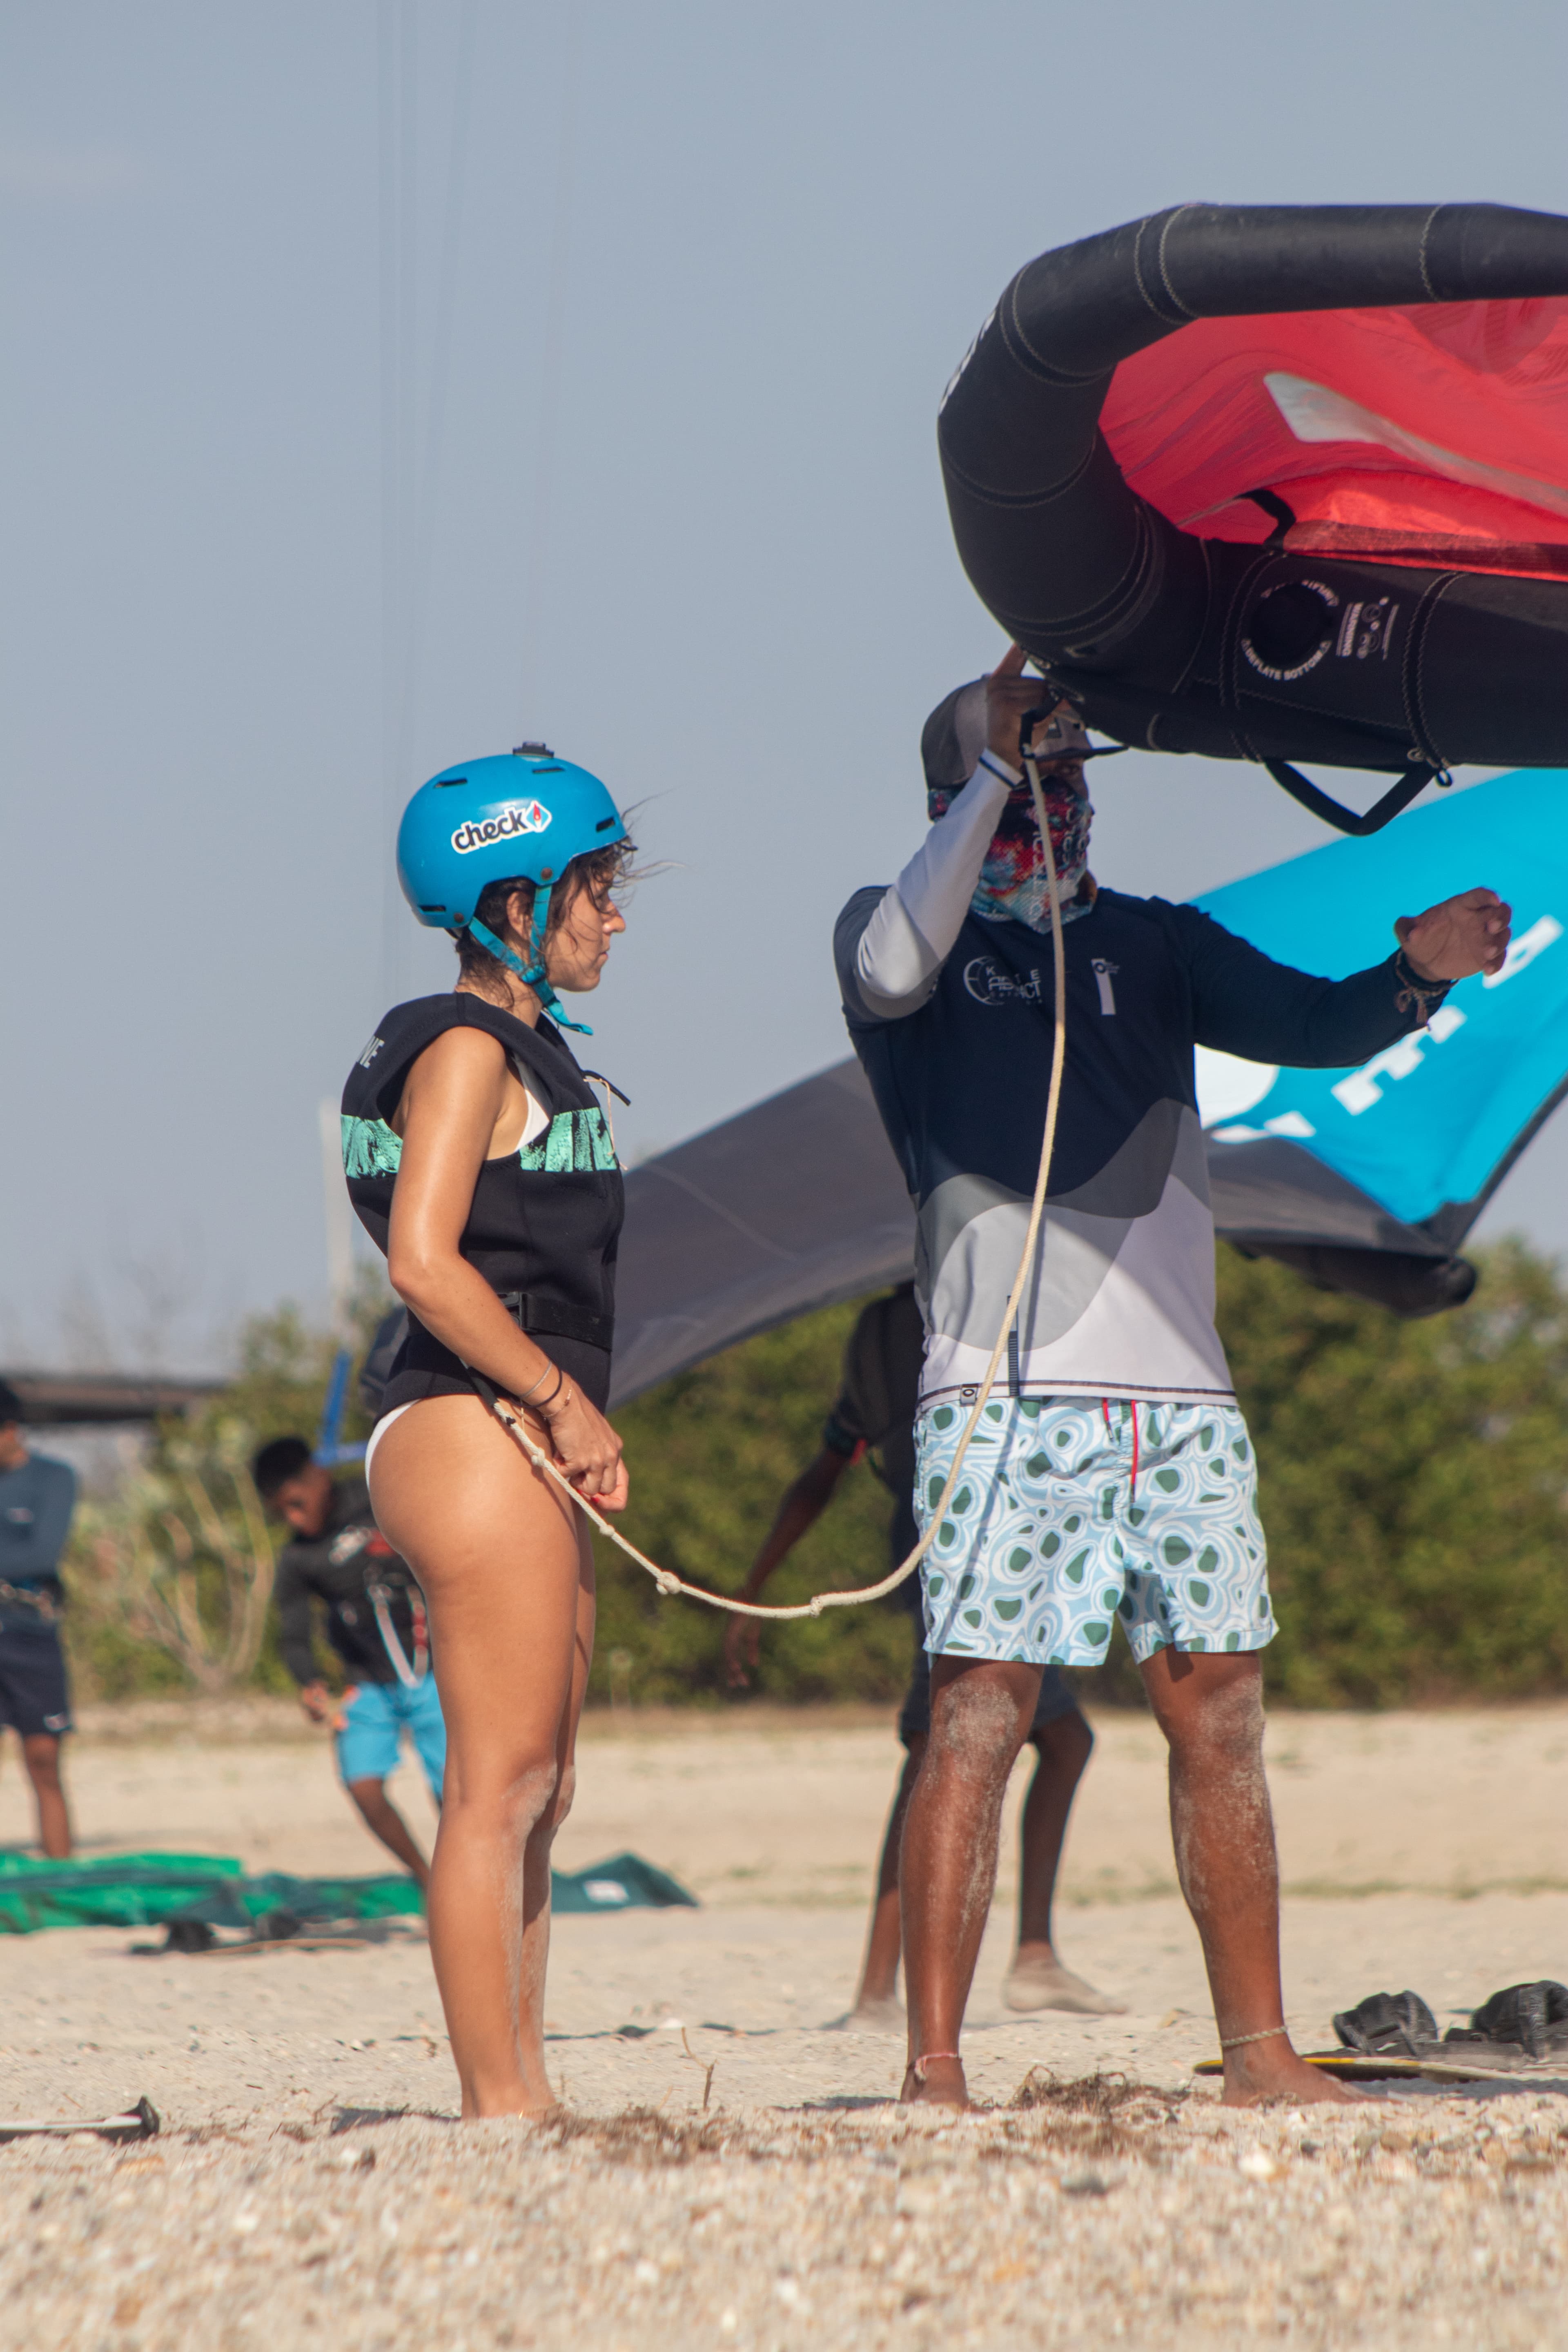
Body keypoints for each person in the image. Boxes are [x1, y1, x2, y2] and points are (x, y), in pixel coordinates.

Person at [835, 645, 1512, 2110]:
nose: (1063, 797)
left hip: (1181, 1408)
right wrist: (994, 775)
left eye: (1075, 770)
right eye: (1036, 769)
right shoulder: (912, 942)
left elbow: (1317, 1028)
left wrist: (1416, 973)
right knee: (981, 1714)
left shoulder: (1153, 944)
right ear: (963, 787)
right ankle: (936, 2069)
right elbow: (892, 960)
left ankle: (1261, 2052)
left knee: (1219, 1714)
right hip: (1004, 1399)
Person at [343, 743, 634, 2120]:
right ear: (513, 905)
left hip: (506, 1422)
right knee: (498, 1787)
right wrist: (562, 1398)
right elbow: (424, 1261)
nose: (615, 914)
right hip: (467, 1424)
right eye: (595, 886)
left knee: (544, 1790)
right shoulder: (462, 1049)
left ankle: (528, 2085)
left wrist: (577, 1412)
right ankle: (494, 2103)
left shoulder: (533, 1045)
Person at [725, 1283, 1123, 2025]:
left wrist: (755, 1584)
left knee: (1014, 1744)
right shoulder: (977, 1307)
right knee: (966, 1752)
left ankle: (970, 1968)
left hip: (931, 1548)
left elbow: (825, 1470)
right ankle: (911, 1984)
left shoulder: (876, 1329)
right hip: (983, 1539)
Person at [253, 1436, 444, 1891]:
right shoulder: (300, 1558)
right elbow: (295, 1635)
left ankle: (474, 1883)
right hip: (367, 1684)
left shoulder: (378, 1497)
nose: (294, 1519)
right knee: (362, 1785)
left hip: (436, 1673)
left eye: (297, 1504)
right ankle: (427, 1880)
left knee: (456, 1795)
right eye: (283, 1513)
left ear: (317, 1478)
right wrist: (310, 1683)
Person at [0, 1381, 77, 1858]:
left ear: (11, 1431)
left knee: (44, 1760)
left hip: (31, 1634)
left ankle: (62, 1875)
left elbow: (43, 1554)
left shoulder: (55, 1478)